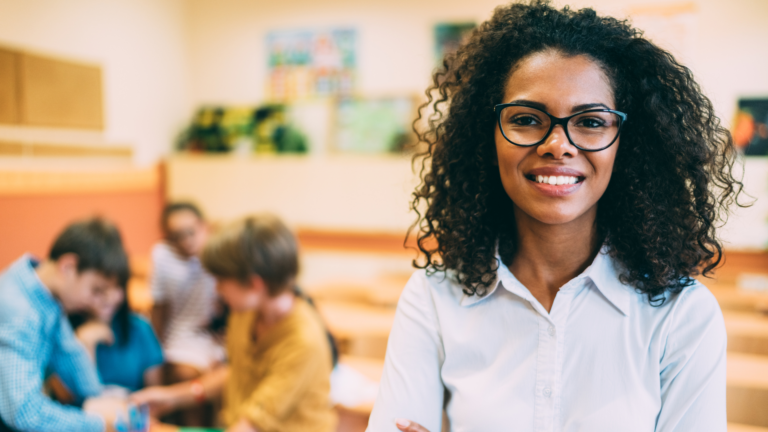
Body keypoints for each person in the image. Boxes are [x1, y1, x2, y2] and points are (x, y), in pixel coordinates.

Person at [367, 2, 743, 431]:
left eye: (590, 121)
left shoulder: (682, 314)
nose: (558, 145)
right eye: (527, 119)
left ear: (628, 145)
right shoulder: (433, 299)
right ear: (485, 137)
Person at [132, 215, 337, 432]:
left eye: (221, 280)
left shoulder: (302, 341)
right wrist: (172, 397)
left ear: (254, 283)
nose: (217, 289)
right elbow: (237, 371)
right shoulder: (246, 311)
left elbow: (251, 425)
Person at [0, 218, 130, 432]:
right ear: (68, 267)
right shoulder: (19, 312)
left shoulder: (43, 287)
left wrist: (98, 399)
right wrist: (100, 424)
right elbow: (24, 414)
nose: (96, 303)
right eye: (96, 290)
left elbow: (69, 352)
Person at [150, 202, 223, 385]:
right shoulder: (163, 257)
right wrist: (155, 352)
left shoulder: (220, 252)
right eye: (177, 236)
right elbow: (159, 308)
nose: (186, 240)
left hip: (218, 333)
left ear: (204, 226)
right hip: (183, 333)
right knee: (187, 375)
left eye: (191, 232)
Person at [69, 268, 164, 393]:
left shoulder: (140, 328)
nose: (109, 297)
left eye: (116, 287)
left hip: (132, 409)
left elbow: (155, 395)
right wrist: (86, 342)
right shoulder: (67, 332)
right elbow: (76, 395)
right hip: (85, 410)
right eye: (98, 290)